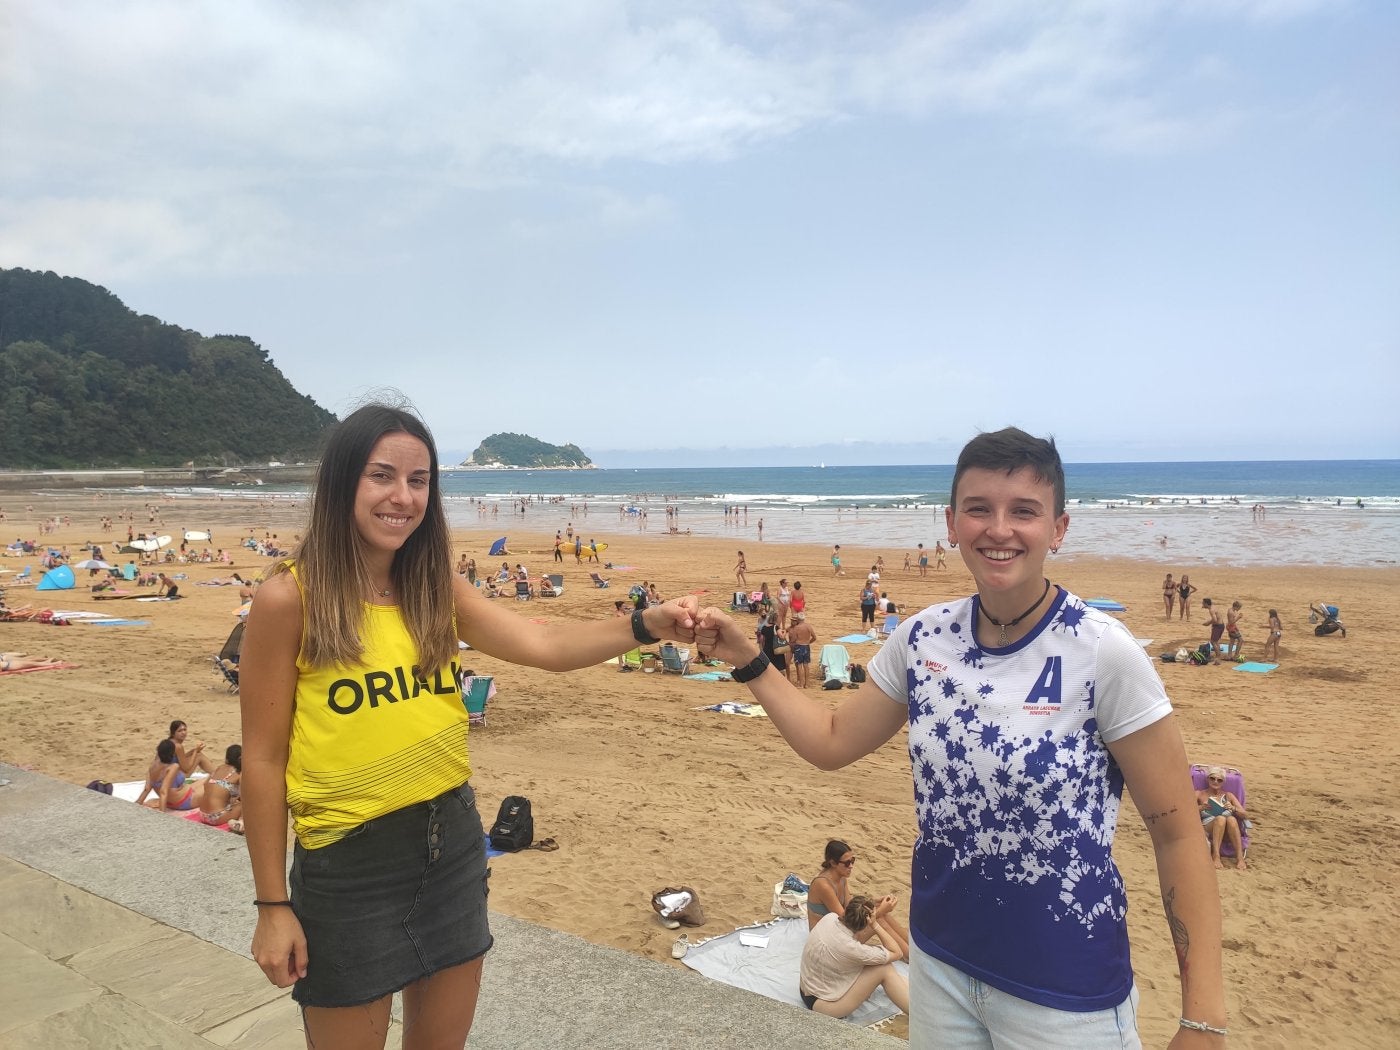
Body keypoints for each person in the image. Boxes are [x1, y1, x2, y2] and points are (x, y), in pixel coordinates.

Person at [696, 427, 1226, 1047]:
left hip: (1065, 993)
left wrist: (1203, 1021)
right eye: (979, 509)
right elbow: (832, 738)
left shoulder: (1102, 651)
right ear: (952, 522)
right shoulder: (923, 640)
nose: (999, 529)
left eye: (1024, 511)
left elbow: (1178, 832)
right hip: (940, 968)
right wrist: (747, 657)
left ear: (1058, 528)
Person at [238, 401, 698, 1047]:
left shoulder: (434, 585)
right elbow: (261, 759)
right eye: (382, 476)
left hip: (450, 843)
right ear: (342, 482)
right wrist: (271, 907)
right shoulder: (290, 597)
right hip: (349, 865)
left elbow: (545, 648)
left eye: (419, 480)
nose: (403, 497)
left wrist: (645, 625)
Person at [800, 894, 910, 1019]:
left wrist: (868, 905)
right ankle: (919, 1016)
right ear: (865, 924)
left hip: (807, 989)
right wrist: (875, 924)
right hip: (825, 1005)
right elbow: (897, 953)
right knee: (885, 968)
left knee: (881, 967)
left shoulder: (829, 918)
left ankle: (914, 992)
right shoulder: (853, 948)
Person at [807, 839, 910, 961]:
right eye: (847, 863)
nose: (851, 866)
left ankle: (912, 946)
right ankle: (910, 956)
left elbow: (850, 905)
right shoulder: (823, 885)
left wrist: (873, 903)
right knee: (879, 919)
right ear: (833, 863)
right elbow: (847, 920)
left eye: (852, 861)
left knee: (880, 913)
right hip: (827, 939)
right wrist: (879, 911)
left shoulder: (841, 877)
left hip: (837, 929)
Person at [1196, 767, 1247, 872]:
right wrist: (1201, 808)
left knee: (1231, 819)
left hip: (1228, 831)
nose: (1215, 781)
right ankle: (1216, 856)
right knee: (1221, 819)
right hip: (1208, 827)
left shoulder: (1229, 796)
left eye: (1219, 780)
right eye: (1212, 778)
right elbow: (1185, 811)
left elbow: (1245, 815)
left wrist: (1233, 808)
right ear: (1207, 779)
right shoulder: (1199, 794)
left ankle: (1240, 858)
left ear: (1223, 782)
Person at [134, 738, 198, 811]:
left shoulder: (152, 767)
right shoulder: (173, 767)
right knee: (209, 784)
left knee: (203, 782)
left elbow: (147, 789)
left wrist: (137, 804)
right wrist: (162, 815)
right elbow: (163, 791)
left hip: (177, 797)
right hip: (183, 800)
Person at [199, 744, 243, 827]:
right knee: (245, 804)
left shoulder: (219, 768)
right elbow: (244, 796)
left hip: (202, 814)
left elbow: (205, 784)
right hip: (215, 817)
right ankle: (241, 823)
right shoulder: (239, 774)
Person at [787, 613, 817, 689]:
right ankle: (807, 684)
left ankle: (801, 683)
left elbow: (793, 639)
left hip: (799, 646)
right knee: (806, 665)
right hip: (806, 646)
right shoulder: (808, 626)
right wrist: (808, 642)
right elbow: (814, 637)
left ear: (798, 619)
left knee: (799, 665)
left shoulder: (797, 628)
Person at [1202, 598, 1225, 663]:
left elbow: (1214, 620)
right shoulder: (1213, 607)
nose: (1202, 604)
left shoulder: (1211, 610)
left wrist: (1208, 623)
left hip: (1217, 627)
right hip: (1221, 625)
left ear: (1206, 603)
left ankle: (1218, 657)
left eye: (1203, 603)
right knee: (1216, 641)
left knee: (1213, 642)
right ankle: (1218, 655)